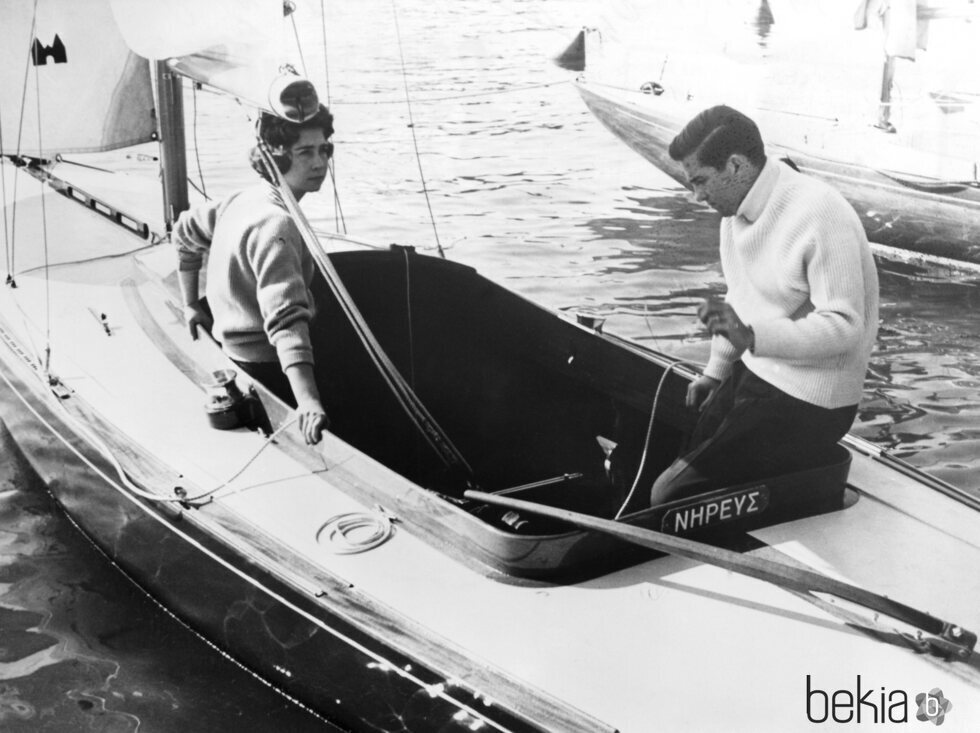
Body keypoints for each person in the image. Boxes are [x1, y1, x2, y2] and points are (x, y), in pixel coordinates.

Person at [649, 105, 879, 506]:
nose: (696, 196)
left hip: (815, 398)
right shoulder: (733, 214)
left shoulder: (820, 211)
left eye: (701, 181)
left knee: (670, 495)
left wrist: (752, 336)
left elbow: (845, 327)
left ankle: (803, 496)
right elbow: (741, 299)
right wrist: (716, 372)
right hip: (761, 373)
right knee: (681, 455)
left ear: (736, 166)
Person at [172, 105, 335, 445]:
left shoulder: (245, 198)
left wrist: (190, 302)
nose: (320, 163)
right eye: (305, 152)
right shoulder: (278, 222)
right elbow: (285, 319)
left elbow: (184, 231)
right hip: (270, 370)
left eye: (324, 149)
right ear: (276, 156)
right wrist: (308, 400)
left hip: (235, 357)